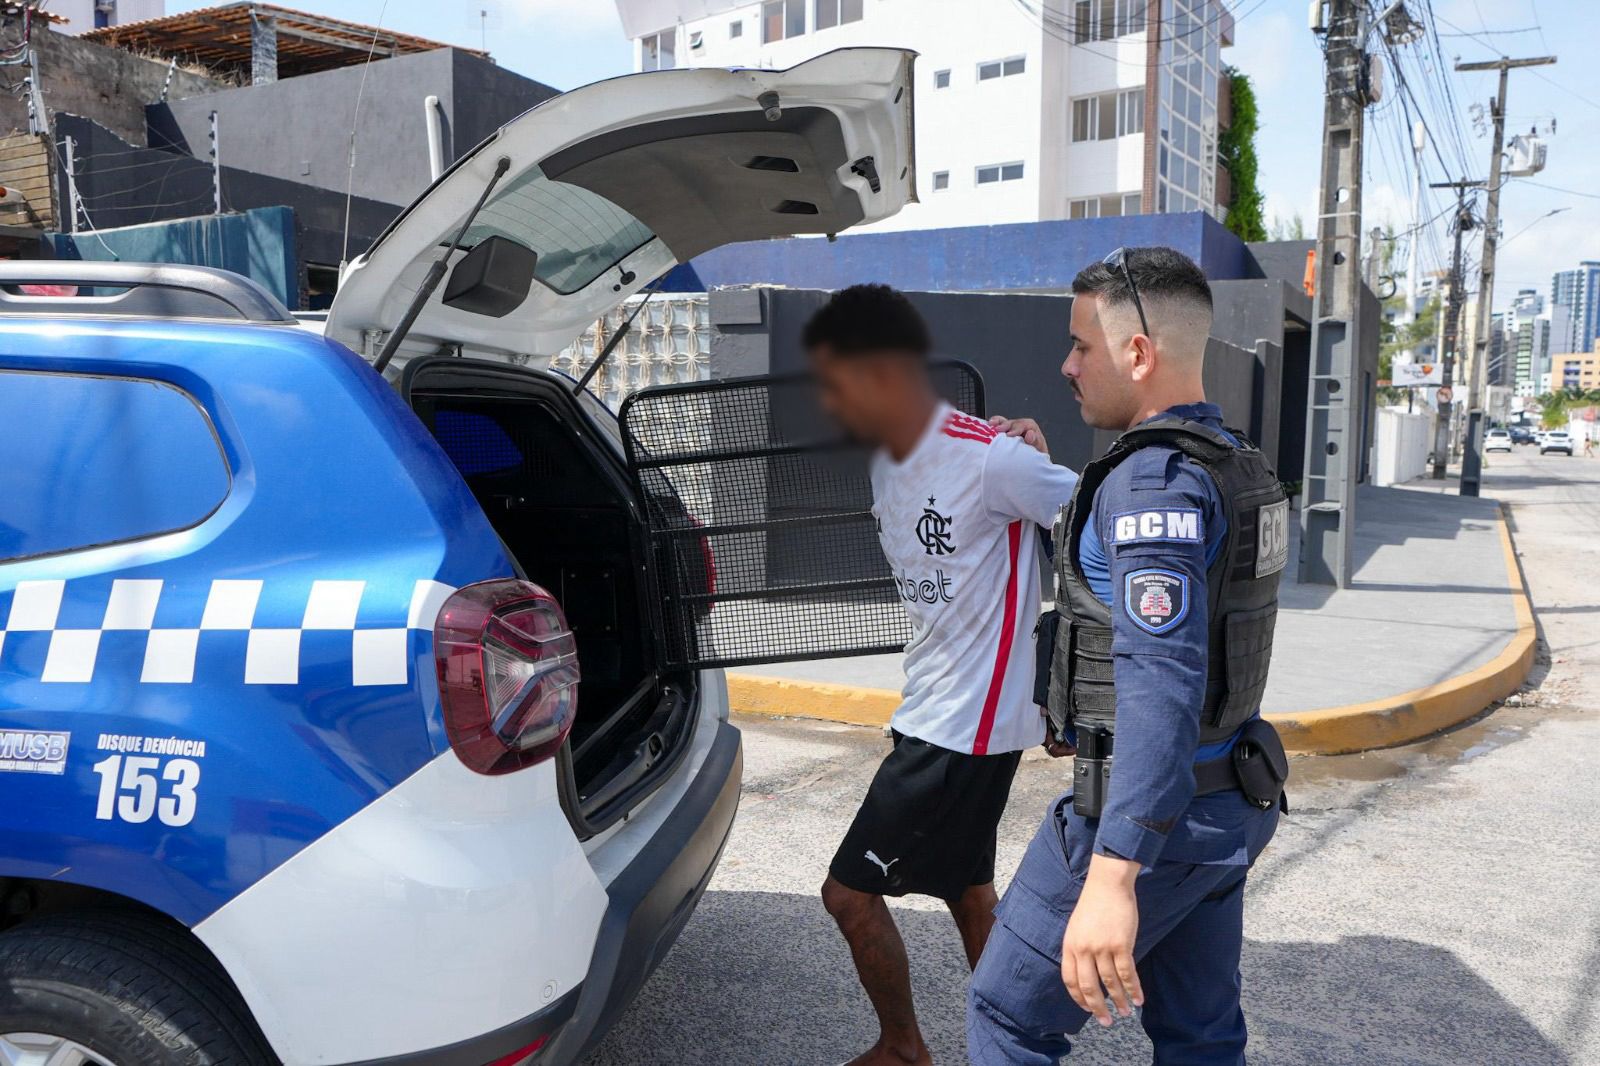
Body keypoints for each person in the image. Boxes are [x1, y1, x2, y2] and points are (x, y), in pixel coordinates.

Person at [966, 247, 1290, 1065]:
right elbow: (1117, 583)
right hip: (1225, 802)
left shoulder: (1152, 487)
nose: (1067, 366)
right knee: (1199, 1034)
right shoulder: (1225, 459)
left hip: (1153, 823)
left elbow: (1161, 686)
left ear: (1137, 353)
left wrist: (1114, 873)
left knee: (1006, 1016)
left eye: (1082, 346)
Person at [804, 284, 1080, 1066]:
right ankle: (1013, 1047)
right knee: (967, 890)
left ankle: (904, 1048)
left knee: (848, 895)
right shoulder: (885, 461)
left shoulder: (990, 456)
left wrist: (1071, 687)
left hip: (962, 728)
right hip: (932, 707)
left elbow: (1103, 525)